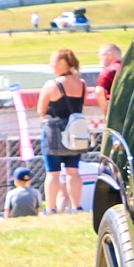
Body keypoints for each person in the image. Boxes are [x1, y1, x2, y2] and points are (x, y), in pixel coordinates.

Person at [37, 48, 86, 214]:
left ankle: (50, 209)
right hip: (75, 132)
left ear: (63, 63)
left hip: (54, 133)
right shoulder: (81, 84)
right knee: (73, 171)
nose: (51, 64)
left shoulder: (52, 84)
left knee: (53, 172)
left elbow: (41, 110)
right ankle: (77, 206)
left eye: (53, 61)